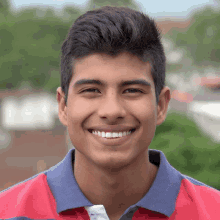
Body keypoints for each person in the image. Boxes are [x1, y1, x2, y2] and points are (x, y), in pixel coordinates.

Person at [0, 6, 219, 220]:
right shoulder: (7, 212)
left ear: (161, 105)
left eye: (132, 90)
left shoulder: (213, 211)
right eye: (91, 90)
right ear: (63, 106)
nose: (112, 111)